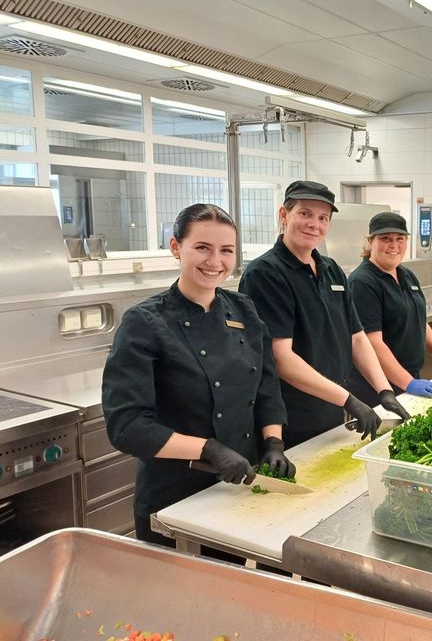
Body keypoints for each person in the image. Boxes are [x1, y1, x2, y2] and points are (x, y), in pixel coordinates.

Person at [102, 203, 294, 546]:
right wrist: (207, 449)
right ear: (176, 247)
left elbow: (266, 385)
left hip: (238, 491)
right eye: (203, 247)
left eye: (226, 250)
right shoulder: (144, 322)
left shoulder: (244, 310)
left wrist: (273, 443)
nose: (215, 261)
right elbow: (127, 426)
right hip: (174, 500)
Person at [239, 181, 410, 447]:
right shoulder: (266, 274)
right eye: (305, 213)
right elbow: (280, 357)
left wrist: (384, 390)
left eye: (323, 218)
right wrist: (348, 399)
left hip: (330, 410)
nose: (314, 224)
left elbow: (357, 338)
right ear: (284, 215)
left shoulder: (331, 270)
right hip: (287, 420)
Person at [347, 212, 432, 403]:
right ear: (370, 242)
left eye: (400, 238)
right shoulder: (362, 282)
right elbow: (372, 343)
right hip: (378, 386)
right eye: (385, 238)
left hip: (407, 377)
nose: (394, 245)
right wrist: (409, 383)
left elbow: (419, 320)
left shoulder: (407, 275)